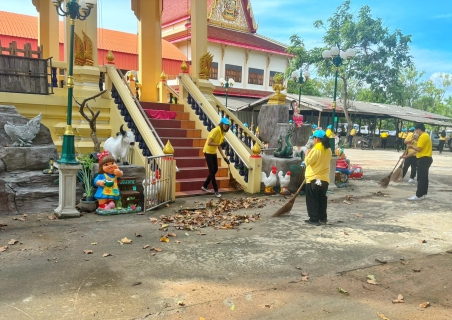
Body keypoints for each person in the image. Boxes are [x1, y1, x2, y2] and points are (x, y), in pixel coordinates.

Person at [303, 130, 332, 226]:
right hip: (324, 180)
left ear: (317, 139)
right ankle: (323, 218)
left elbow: (308, 162)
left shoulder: (316, 149)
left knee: (312, 199)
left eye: (314, 138)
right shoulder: (329, 150)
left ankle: (314, 219)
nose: (313, 140)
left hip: (314, 179)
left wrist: (307, 154)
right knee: (321, 199)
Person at [401, 123, 432, 201]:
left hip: (423, 159)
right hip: (426, 159)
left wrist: (411, 146)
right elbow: (416, 151)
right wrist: (406, 156)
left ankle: (418, 195)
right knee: (424, 177)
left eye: (415, 130)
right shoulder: (426, 135)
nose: (415, 132)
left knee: (421, 178)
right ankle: (423, 194)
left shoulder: (423, 136)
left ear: (419, 130)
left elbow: (418, 149)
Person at [201, 117, 230, 197]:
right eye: (225, 125)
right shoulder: (215, 130)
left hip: (213, 152)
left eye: (227, 125)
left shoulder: (223, 133)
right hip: (208, 151)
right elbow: (209, 142)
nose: (226, 126)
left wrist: (224, 157)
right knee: (212, 170)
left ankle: (205, 185)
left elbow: (219, 146)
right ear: (221, 124)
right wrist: (219, 144)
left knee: (215, 169)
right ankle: (216, 190)